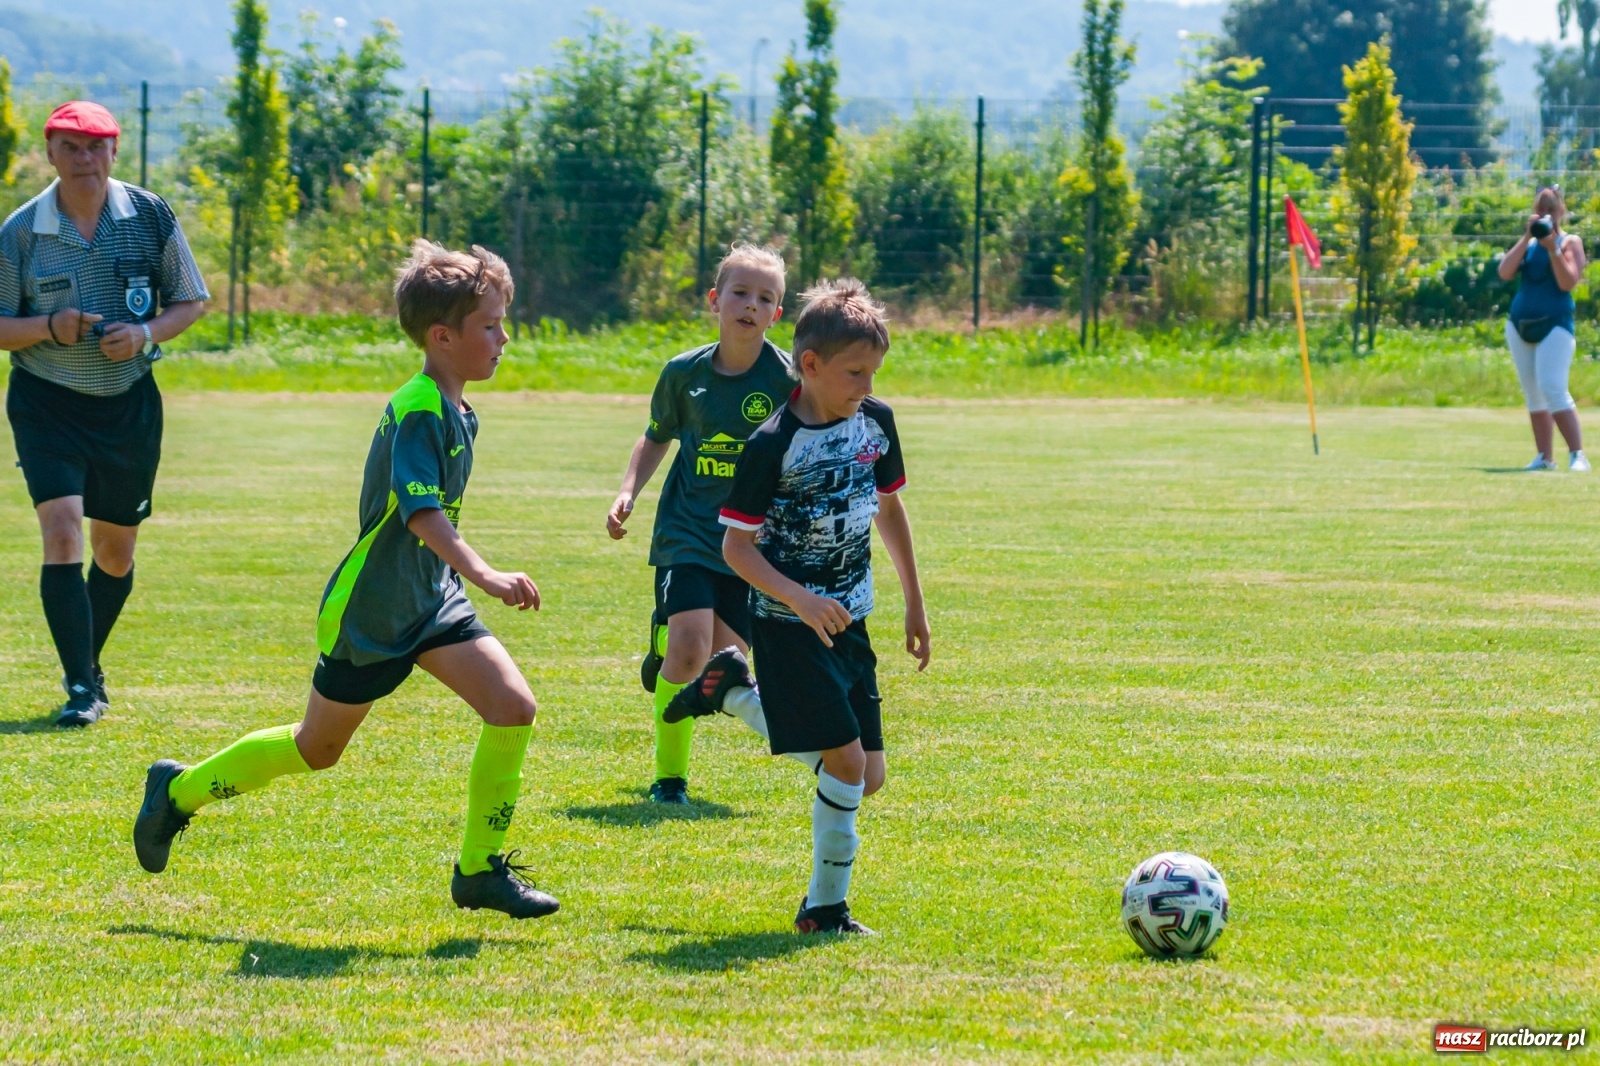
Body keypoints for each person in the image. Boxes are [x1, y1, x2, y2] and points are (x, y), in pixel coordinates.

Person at [133, 242, 560, 919]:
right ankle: (178, 792)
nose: (504, 338)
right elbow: (421, 514)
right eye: (491, 326)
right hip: (373, 610)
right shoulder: (421, 407)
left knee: (513, 706)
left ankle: (478, 871)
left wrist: (458, 581)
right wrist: (484, 572)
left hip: (430, 601)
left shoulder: (457, 407)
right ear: (442, 337)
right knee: (316, 749)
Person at [665, 278, 931, 935]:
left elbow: (890, 511)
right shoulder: (772, 444)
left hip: (851, 621)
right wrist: (800, 598)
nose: (866, 386)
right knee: (840, 764)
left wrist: (914, 604)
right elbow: (736, 548)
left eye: (874, 372)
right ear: (809, 367)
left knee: (867, 778)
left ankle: (731, 693)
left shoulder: (876, 423)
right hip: (788, 625)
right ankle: (824, 909)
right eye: (854, 373)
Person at [0, 101, 209, 726]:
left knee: (114, 551)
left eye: (96, 147)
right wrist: (48, 327)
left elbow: (191, 300)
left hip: (129, 406)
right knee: (62, 530)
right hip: (47, 402)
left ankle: (88, 667)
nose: (84, 158)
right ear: (51, 153)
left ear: (115, 151)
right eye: (70, 147)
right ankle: (79, 690)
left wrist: (145, 334)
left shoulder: (149, 215)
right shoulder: (20, 232)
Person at [605, 243, 792, 805]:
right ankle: (669, 780)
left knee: (727, 667)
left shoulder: (786, 381)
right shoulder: (684, 373)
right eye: (740, 293)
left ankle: (665, 651)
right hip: (686, 531)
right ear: (715, 300)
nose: (750, 305)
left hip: (749, 544)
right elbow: (657, 433)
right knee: (691, 652)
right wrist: (626, 491)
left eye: (765, 298)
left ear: (777, 314)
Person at [1498, 185, 1589, 472]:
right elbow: (1504, 272)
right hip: (1520, 326)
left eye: (1551, 209)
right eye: (1540, 210)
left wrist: (1553, 251)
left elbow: (1567, 282)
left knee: (1552, 386)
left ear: (1561, 211)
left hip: (1556, 326)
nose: (1545, 216)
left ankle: (1577, 455)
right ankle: (1544, 457)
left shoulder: (1569, 242)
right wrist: (1528, 236)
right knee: (1533, 393)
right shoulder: (1529, 243)